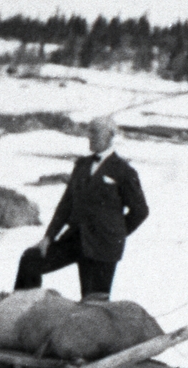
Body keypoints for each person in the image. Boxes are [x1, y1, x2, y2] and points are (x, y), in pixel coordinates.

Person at [14, 116, 148, 300]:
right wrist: (49, 236)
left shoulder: (124, 171)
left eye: (95, 132)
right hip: (75, 239)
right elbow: (66, 204)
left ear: (110, 135)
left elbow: (140, 211)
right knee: (30, 260)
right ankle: (23, 312)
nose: (90, 136)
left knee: (93, 304)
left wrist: (114, 235)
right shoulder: (82, 165)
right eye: (89, 131)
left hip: (103, 249)